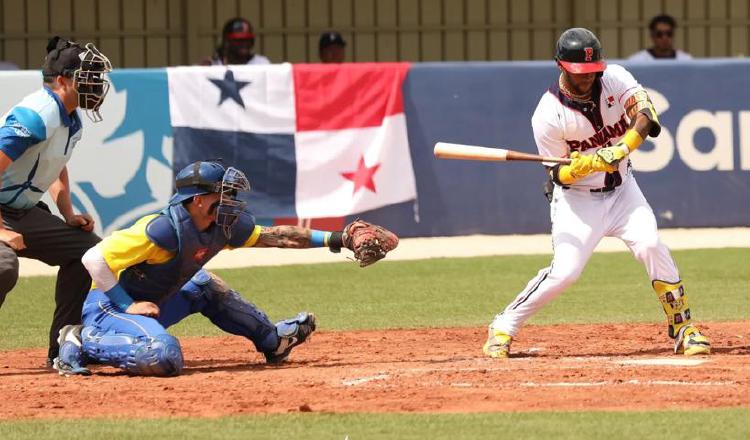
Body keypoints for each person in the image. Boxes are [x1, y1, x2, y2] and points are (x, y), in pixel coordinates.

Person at [483, 28, 710, 359]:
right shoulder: (547, 114)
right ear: (562, 67)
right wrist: (582, 166)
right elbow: (556, 174)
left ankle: (684, 328)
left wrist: (620, 149)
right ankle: (503, 326)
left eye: (592, 71)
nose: (588, 78)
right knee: (565, 272)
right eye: (580, 73)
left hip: (623, 191)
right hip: (577, 200)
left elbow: (645, 117)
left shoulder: (615, 78)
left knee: (650, 244)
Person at [53, 161, 398, 376]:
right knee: (164, 355)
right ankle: (81, 338)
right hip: (109, 310)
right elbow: (93, 259)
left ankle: (272, 340)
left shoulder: (222, 227)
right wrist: (127, 304)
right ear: (198, 200)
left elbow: (275, 236)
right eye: (223, 194)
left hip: (155, 305)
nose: (231, 202)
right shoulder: (161, 229)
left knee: (204, 284)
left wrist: (338, 238)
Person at [0, 36, 111, 365]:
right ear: (62, 80)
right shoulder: (37, 114)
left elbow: (56, 165)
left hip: (21, 211)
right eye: (89, 76)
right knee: (3, 266)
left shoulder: (70, 116)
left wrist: (68, 213)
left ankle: (64, 347)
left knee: (88, 253)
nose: (97, 84)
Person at [204, 17, 271, 66]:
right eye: (239, 40)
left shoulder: (261, 64)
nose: (245, 43)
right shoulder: (213, 65)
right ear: (226, 41)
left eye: (248, 39)